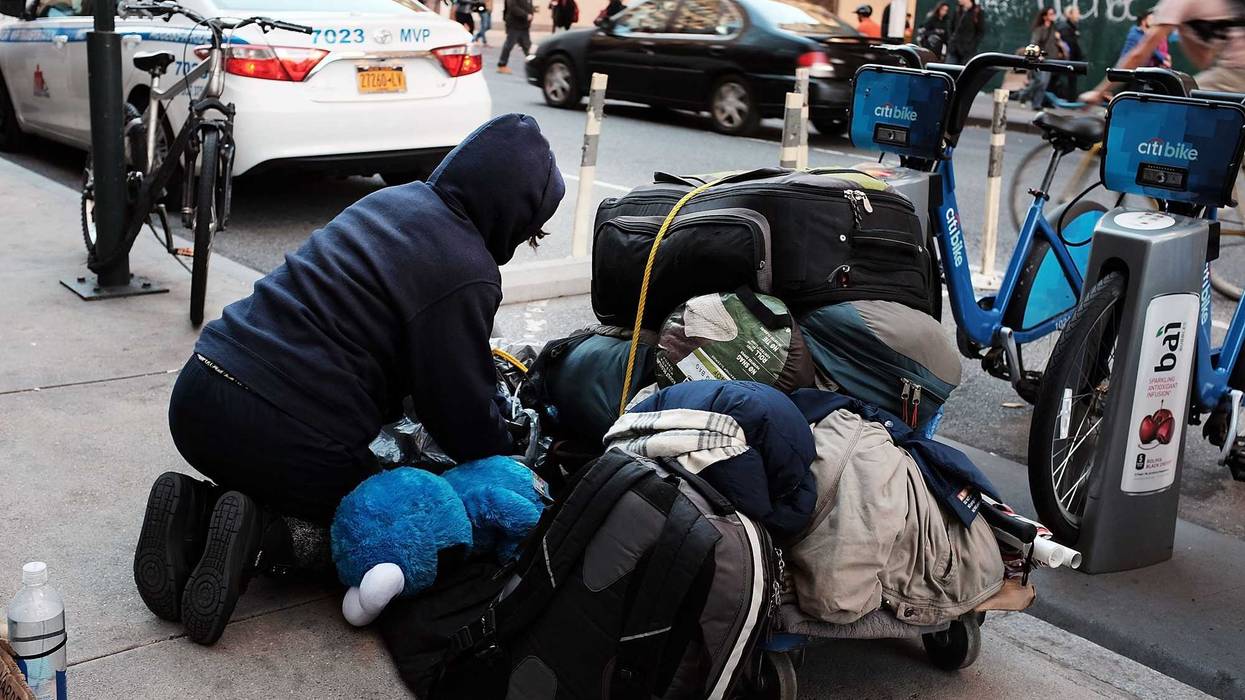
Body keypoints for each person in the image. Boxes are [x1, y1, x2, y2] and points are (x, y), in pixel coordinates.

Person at [132, 114, 566, 646]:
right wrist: (510, 448)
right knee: (383, 513)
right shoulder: (467, 268)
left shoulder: (392, 201)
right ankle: (266, 540)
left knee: (287, 463)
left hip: (199, 392)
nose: (524, 242)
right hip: (284, 430)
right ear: (511, 213)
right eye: (530, 231)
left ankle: (198, 512)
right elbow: (461, 418)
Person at [1081, 0, 1245, 103]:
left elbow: (1139, 54)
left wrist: (1098, 92)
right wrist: (1184, 31)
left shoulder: (1176, 3)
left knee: (1175, 105)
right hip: (1233, 72)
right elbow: (1204, 61)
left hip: (1236, 71)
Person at [1015, 7, 1062, 109]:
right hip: (1039, 59)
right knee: (1039, 81)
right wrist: (1038, 55)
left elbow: (1057, 45)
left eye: (1054, 13)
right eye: (1051, 14)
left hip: (1050, 59)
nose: (1053, 16)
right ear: (1045, 16)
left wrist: (1059, 41)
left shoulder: (1054, 30)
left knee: (1044, 84)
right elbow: (1034, 43)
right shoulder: (1040, 30)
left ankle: (1036, 104)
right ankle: (1023, 94)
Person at [497, 0, 535, 74]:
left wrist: (529, 16)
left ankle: (534, 65)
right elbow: (513, 7)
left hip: (524, 25)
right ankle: (502, 65)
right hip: (514, 24)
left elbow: (529, 6)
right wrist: (526, 15)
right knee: (509, 45)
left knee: (527, 46)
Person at [1055, 5, 1083, 100]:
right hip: (1067, 61)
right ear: (1070, 14)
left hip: (1072, 60)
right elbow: (1068, 46)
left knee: (1072, 81)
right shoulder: (1065, 27)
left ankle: (1071, 99)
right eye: (1076, 13)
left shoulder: (1072, 27)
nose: (1078, 15)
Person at [947, 0, 985, 64]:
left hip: (967, 51)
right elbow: (951, 26)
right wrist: (951, 39)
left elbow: (980, 31)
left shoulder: (977, 11)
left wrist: (972, 45)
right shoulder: (958, 10)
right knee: (949, 67)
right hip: (954, 48)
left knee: (965, 68)